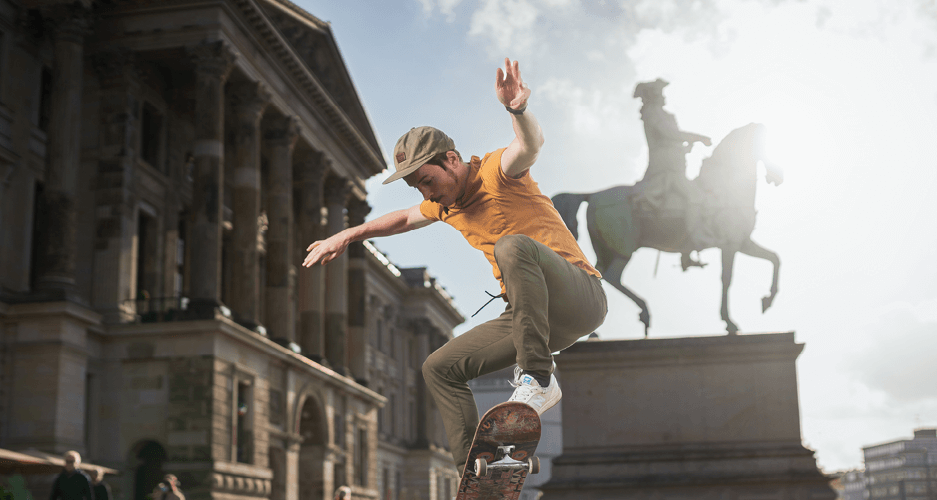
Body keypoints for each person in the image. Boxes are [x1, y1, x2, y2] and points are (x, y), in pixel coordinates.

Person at [303, 58, 608, 471]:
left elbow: (529, 147)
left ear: (451, 159)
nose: (428, 194)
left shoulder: (498, 173)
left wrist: (517, 111)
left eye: (427, 181)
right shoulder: (443, 204)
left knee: (512, 247)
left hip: (579, 297)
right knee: (440, 367)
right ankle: (480, 467)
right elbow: (403, 219)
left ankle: (537, 377)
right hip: (530, 316)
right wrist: (346, 234)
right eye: (417, 187)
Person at [630, 78, 711, 269]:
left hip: (674, 166)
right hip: (666, 170)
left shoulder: (662, 113)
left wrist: (683, 149)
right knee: (696, 196)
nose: (663, 96)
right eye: (660, 93)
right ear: (654, 96)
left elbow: (670, 141)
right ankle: (693, 240)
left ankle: (686, 251)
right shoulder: (653, 113)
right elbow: (670, 135)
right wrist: (698, 137)